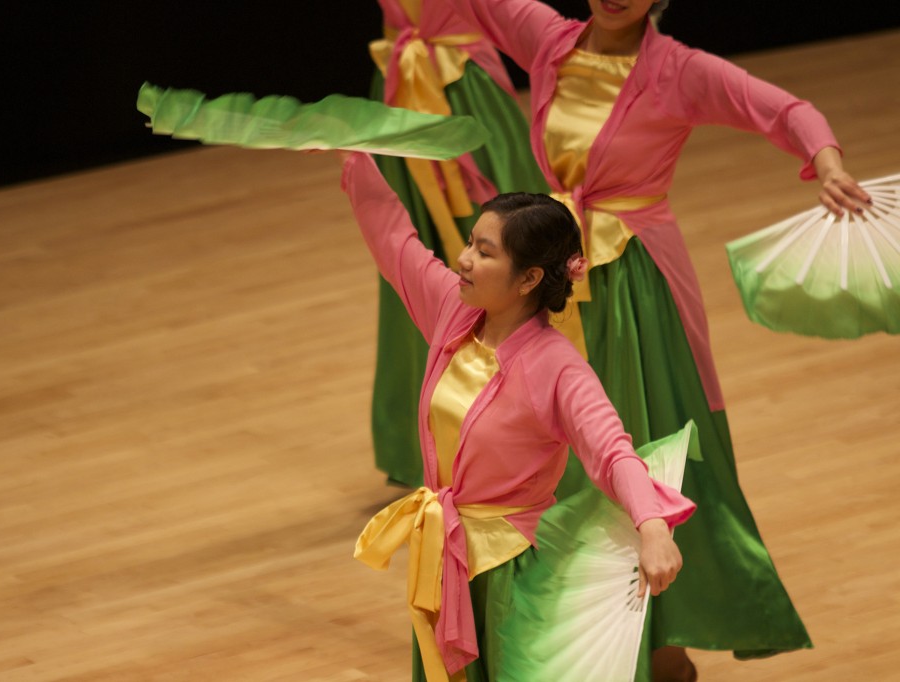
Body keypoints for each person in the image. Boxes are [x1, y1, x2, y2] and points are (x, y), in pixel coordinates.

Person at [428, 0, 873, 679]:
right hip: (552, 276)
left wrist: (829, 162)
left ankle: (665, 644)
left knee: (646, 451)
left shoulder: (680, 71)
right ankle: (558, 642)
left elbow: (783, 109)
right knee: (553, 464)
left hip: (636, 289)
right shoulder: (549, 41)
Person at [342, 150, 696, 682]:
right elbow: (396, 242)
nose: (463, 260)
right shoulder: (454, 312)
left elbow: (613, 452)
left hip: (512, 571)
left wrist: (653, 529)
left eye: (484, 253)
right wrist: (353, 158)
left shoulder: (558, 369)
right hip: (447, 555)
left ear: (529, 278)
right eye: (469, 243)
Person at [364, 0, 552, 487]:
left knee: (506, 266)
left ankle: (528, 429)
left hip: (462, 93)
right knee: (415, 276)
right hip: (401, 101)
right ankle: (434, 441)